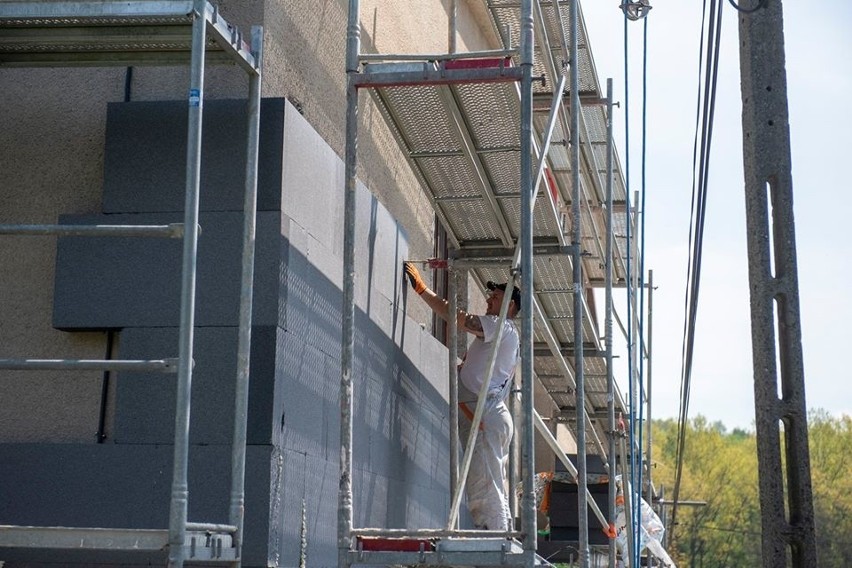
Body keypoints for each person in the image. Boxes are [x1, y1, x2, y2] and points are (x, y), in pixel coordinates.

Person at [403, 261, 521, 531]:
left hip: (486, 416)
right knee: (485, 484)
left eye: (496, 297)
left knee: (484, 487)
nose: (489, 300)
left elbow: (461, 319)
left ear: (510, 306)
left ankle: (497, 544)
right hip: (487, 415)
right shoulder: (501, 337)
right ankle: (497, 538)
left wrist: (423, 291)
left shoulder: (502, 326)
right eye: (490, 296)